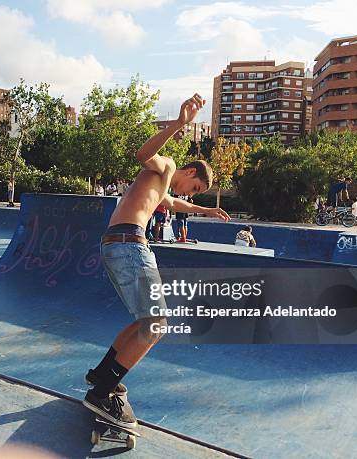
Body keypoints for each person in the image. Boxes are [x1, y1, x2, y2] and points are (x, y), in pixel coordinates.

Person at [82, 94, 230, 429]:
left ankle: (102, 374)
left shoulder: (157, 184)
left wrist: (205, 210)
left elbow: (176, 204)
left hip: (115, 244)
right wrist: (179, 125)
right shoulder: (167, 167)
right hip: (130, 244)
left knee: (142, 321)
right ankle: (102, 394)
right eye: (194, 186)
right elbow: (143, 154)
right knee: (156, 324)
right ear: (189, 170)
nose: (190, 193)